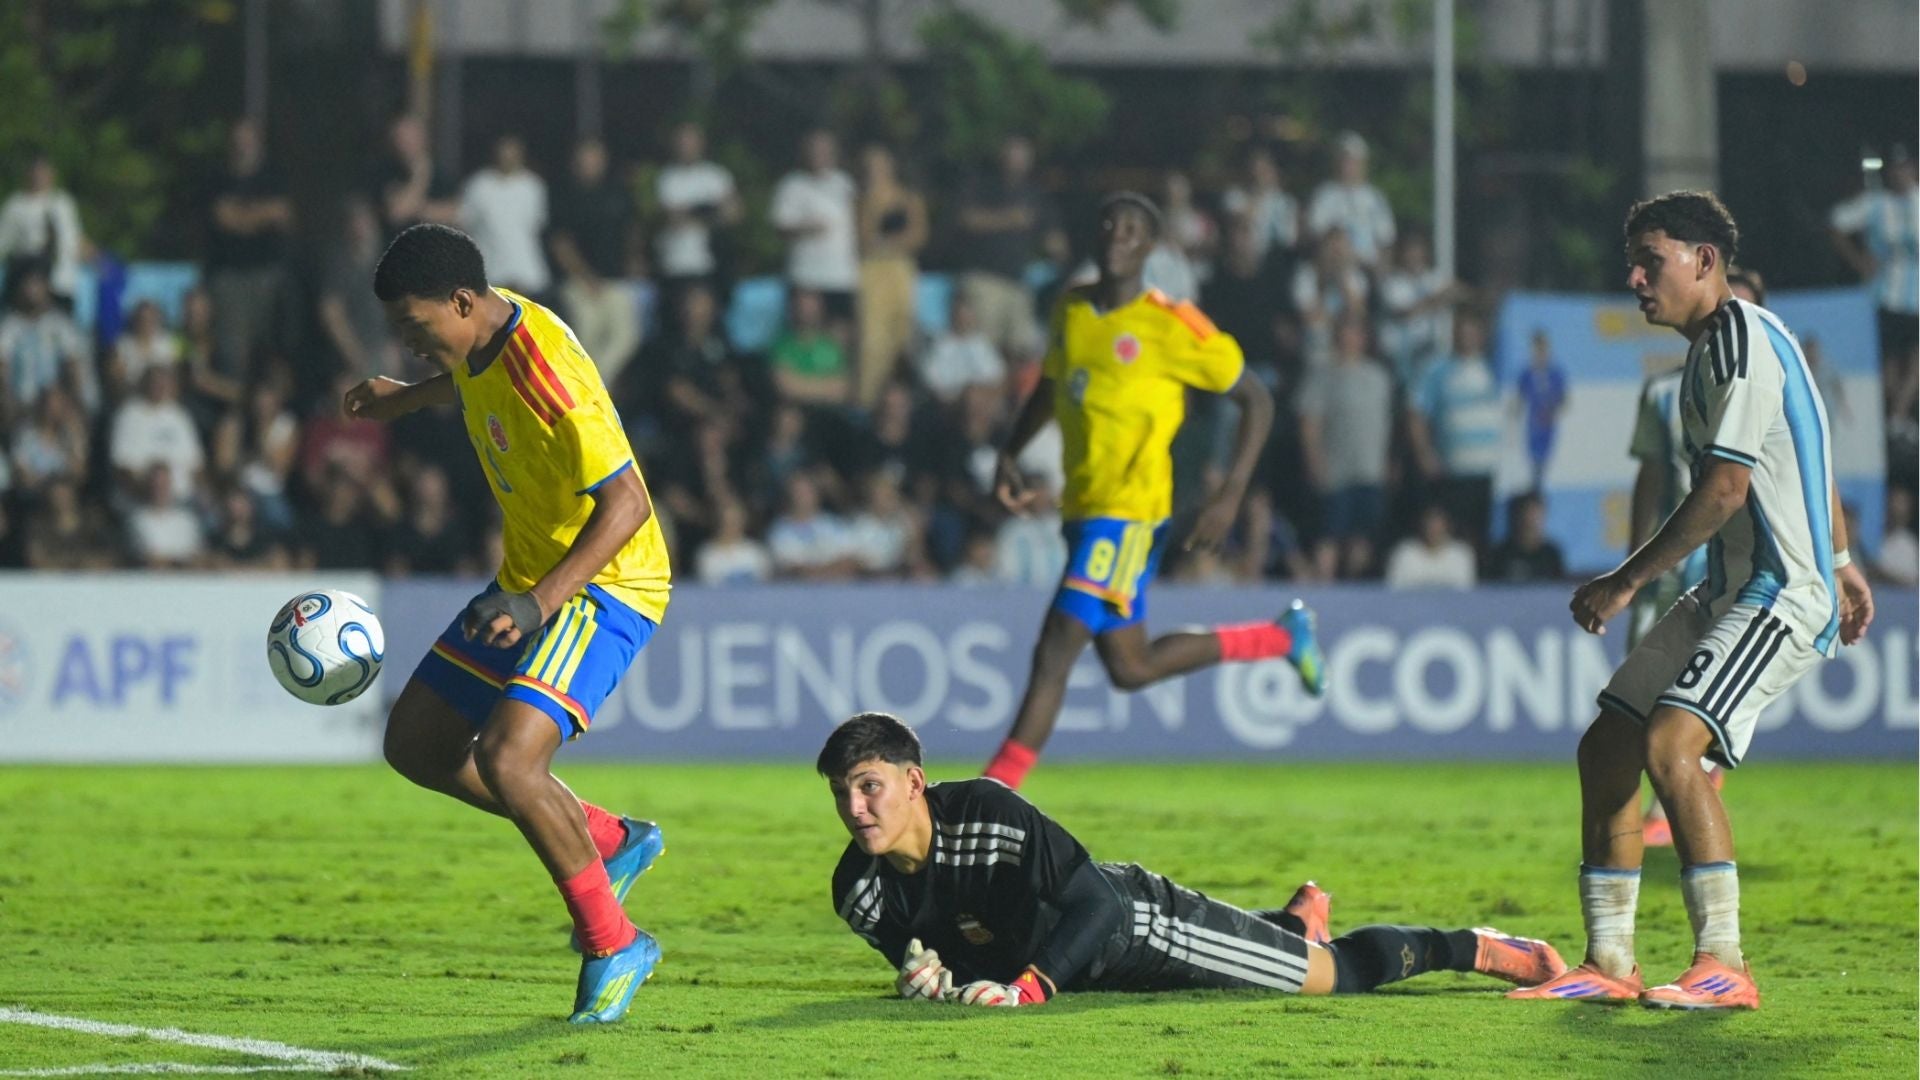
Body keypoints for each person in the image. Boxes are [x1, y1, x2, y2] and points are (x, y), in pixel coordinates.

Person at [1510, 191, 1874, 1010]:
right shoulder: (1713, 348)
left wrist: (1626, 578)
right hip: (1732, 589)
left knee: (1672, 744)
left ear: (1705, 261)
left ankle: (1726, 963)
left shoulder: (1738, 339)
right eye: (1632, 262)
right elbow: (1804, 452)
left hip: (1778, 594)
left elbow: (1725, 490)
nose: (1635, 277)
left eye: (1653, 259)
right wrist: (1848, 559)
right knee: (1607, 745)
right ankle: (1609, 963)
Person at [343, 224, 672, 1024]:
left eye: (416, 329)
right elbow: (465, 382)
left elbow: (628, 504)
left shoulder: (547, 371)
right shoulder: (482, 337)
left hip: (605, 585)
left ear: (461, 302)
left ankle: (613, 941)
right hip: (530, 578)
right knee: (415, 745)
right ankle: (608, 837)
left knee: (510, 758)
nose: (410, 343)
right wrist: (405, 397)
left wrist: (538, 603)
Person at [823, 712, 1567, 1007]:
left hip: (1135, 928)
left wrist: (1030, 990)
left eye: (870, 787)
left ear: (914, 782)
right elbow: (933, 959)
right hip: (1068, 964)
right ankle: (1290, 921)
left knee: (1333, 979)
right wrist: (925, 981)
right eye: (844, 794)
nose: (857, 810)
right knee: (1268, 951)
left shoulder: (987, 813)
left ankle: (1480, 948)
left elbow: (1098, 906)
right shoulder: (857, 890)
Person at [980, 193, 1320, 790]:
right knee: (1130, 667)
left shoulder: (1171, 324)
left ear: (1151, 246)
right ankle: (1279, 638)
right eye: (1108, 223)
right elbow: (1051, 387)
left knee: (1057, 647)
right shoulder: (1072, 311)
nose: (1117, 234)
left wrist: (1231, 491)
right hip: (1084, 509)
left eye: (1133, 228)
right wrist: (1011, 448)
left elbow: (1256, 400)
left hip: (1130, 514)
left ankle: (990, 794)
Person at [1628, 264, 1765, 846]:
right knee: (1638, 686)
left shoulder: (1769, 377)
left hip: (1733, 561)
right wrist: (1631, 566)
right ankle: (1640, 810)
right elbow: (1651, 478)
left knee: (1706, 687)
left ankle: (1684, 803)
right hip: (1669, 556)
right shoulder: (1664, 389)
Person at [1298, 312, 1394, 580]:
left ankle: (1355, 586)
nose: (1350, 338)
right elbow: (1310, 423)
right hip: (1336, 470)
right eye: (1345, 332)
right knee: (1329, 534)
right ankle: (1326, 588)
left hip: (1370, 469)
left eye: (1355, 332)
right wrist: (1315, 461)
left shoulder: (1379, 377)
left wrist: (1386, 461)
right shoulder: (1323, 374)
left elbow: (1385, 424)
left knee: (1363, 536)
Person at [954, 136, 1064, 363]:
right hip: (984, 279)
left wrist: (1058, 248)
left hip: (1018, 283)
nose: (1017, 160)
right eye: (1013, 154)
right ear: (1002, 155)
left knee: (1022, 349)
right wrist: (1008, 219)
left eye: (1023, 155)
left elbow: (1051, 234)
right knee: (985, 350)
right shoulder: (983, 185)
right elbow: (966, 219)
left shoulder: (1036, 195)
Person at [204, 119, 294, 382]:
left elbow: (284, 215)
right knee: (233, 350)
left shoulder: (274, 176)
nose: (243, 146)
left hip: (268, 275)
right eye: (238, 140)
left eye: (248, 139)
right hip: (229, 277)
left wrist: (242, 216)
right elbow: (223, 218)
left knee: (273, 346)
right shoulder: (216, 178)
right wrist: (261, 215)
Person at [549, 138, 643, 387]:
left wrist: (635, 259)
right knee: (584, 339)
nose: (589, 164)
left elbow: (631, 229)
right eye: (584, 160)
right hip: (578, 283)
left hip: (615, 281)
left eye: (594, 158)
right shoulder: (564, 196)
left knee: (627, 336)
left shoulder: (618, 193)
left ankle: (593, 386)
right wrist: (586, 277)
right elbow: (561, 243)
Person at [1408, 312, 1502, 551]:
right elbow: (1416, 413)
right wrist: (1424, 453)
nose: (1466, 338)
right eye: (1462, 332)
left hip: (1490, 470)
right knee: (1457, 536)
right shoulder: (1438, 370)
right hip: (1455, 470)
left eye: (1472, 332)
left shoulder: (1494, 368)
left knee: (1484, 537)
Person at [856, 145, 929, 407]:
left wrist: (887, 242)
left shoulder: (908, 198)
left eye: (879, 165)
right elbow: (863, 241)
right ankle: (869, 400)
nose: (874, 172)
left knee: (903, 335)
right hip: (872, 272)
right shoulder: (861, 200)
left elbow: (918, 236)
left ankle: (903, 400)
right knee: (873, 339)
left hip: (900, 271)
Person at [770, 130, 859, 333]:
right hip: (806, 276)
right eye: (814, 151)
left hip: (842, 276)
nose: (819, 155)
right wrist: (806, 228)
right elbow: (780, 228)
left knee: (841, 334)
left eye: (824, 150)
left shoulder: (845, 183)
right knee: (806, 333)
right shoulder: (791, 185)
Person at [654, 121, 740, 310]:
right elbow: (672, 218)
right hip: (676, 263)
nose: (687, 147)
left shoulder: (716, 175)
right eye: (683, 142)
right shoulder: (668, 178)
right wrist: (709, 210)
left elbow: (734, 213)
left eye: (691, 142)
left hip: (710, 264)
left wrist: (693, 213)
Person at [460, 135, 551, 298]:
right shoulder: (479, 185)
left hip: (527, 273)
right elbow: (465, 222)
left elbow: (536, 225)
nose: (508, 155)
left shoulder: (533, 186)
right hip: (491, 273)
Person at [0, 153, 89, 309]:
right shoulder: (16, 205)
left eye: (43, 173)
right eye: (36, 173)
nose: (39, 177)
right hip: (28, 286)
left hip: (62, 282)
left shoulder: (63, 203)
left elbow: (74, 238)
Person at [1306, 132, 1395, 269]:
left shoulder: (1375, 198)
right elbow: (1316, 232)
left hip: (1367, 268)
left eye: (1353, 161)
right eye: (1344, 160)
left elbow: (1385, 239)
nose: (1347, 166)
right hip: (1333, 267)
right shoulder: (1324, 194)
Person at [1514, 329, 1568, 492]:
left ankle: (1539, 493)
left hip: (1549, 426)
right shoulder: (1527, 373)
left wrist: (1552, 409)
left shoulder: (1556, 374)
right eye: (1537, 349)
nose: (1541, 353)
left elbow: (1563, 399)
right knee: (1532, 462)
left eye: (1543, 349)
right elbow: (1519, 399)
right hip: (1532, 425)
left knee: (1546, 463)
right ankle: (1533, 492)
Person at [1384, 504, 1476, 590]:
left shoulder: (1461, 554)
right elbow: (1393, 591)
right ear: (1422, 526)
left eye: (1438, 526)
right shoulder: (1404, 553)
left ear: (1447, 527)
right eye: (1430, 525)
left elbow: (1466, 592)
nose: (1433, 530)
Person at [1485, 493, 1565, 583]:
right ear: (1515, 516)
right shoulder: (1499, 554)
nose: (1529, 521)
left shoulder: (1551, 554)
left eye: (1535, 516)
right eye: (1525, 514)